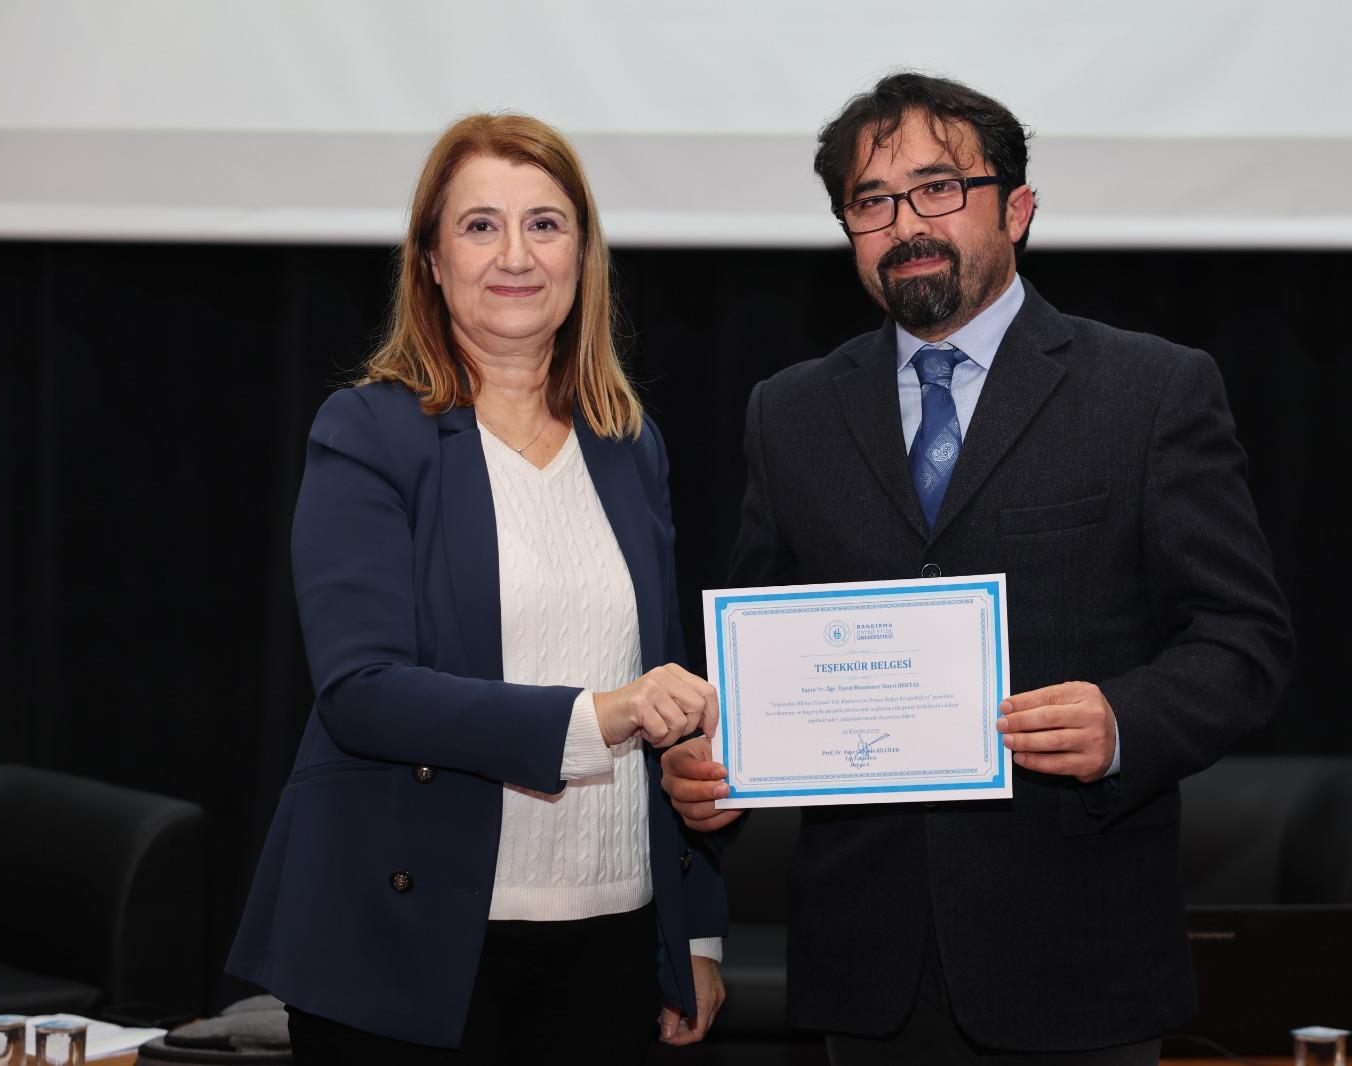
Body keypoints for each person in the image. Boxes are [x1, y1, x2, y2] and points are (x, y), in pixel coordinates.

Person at [661, 73, 1294, 1065]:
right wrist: (715, 762)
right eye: (872, 201)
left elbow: (1243, 640)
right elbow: (760, 648)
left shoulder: (1150, 390)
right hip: (865, 970)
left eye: (939, 187)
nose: (906, 224)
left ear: (1018, 208)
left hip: (1077, 963)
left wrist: (1123, 722)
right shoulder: (790, 412)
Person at [227, 112, 726, 1063]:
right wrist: (598, 716)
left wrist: (695, 928)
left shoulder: (628, 444)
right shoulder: (368, 433)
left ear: (583, 255)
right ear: (430, 260)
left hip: (612, 934)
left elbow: (666, 683)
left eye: (545, 224)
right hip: (409, 943)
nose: (517, 256)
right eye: (480, 225)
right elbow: (363, 692)